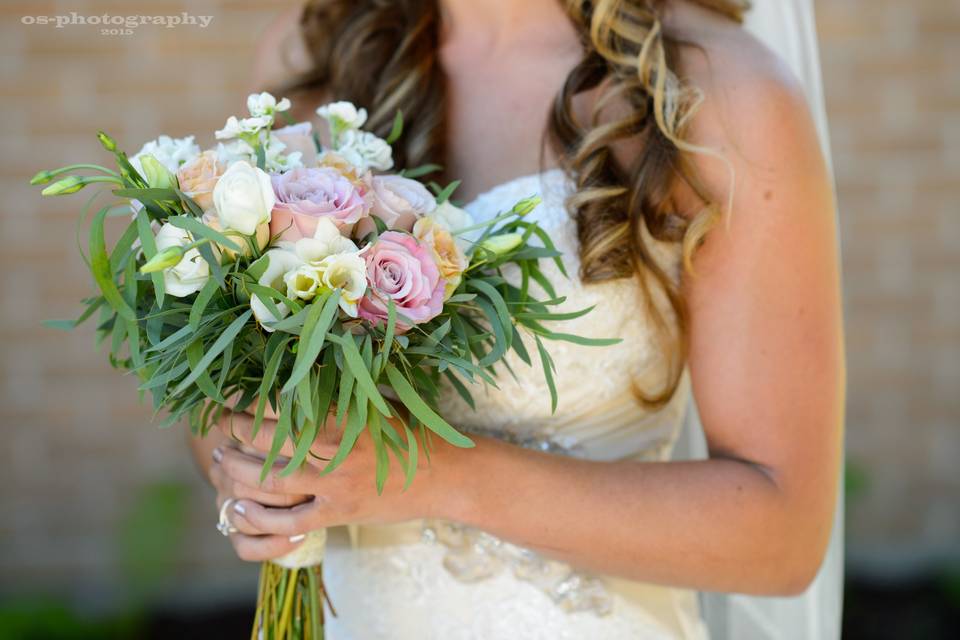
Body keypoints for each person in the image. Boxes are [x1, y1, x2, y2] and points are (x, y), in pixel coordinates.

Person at [190, 0, 844, 637]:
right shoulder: (314, 51)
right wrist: (255, 466)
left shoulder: (715, 91)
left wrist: (428, 473)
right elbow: (227, 388)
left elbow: (781, 535)